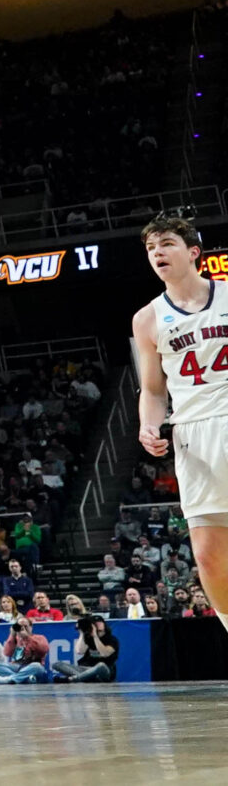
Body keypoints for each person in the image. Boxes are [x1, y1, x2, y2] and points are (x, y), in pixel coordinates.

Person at [134, 213, 228, 631]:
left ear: (193, 252)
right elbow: (154, 389)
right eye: (152, 248)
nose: (158, 252)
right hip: (193, 434)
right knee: (208, 554)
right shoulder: (147, 318)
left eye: (167, 243)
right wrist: (149, 426)